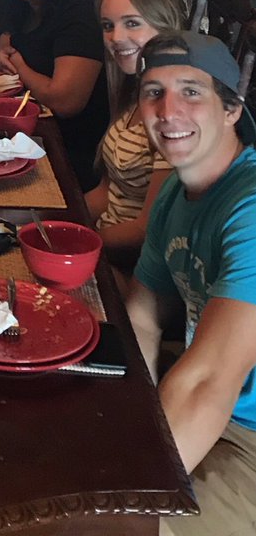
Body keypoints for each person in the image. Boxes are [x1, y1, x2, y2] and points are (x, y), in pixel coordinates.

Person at [126, 31, 256, 535]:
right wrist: (129, 419)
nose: (167, 110)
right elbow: (144, 315)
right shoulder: (176, 196)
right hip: (206, 403)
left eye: (192, 91)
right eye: (153, 92)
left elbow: (206, 384)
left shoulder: (248, 206)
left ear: (231, 108)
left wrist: (123, 493)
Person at [0, 0, 108, 191]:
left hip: (71, 158)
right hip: (35, 140)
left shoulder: (79, 14)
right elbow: (9, 38)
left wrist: (17, 63)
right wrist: (0, 50)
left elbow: (65, 100)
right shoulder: (28, 4)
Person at [85, 0, 182, 273]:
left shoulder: (174, 112)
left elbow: (146, 231)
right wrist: (58, 220)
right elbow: (106, 191)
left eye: (132, 23)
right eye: (107, 26)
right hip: (104, 247)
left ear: (163, 24)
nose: (116, 38)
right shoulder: (132, 90)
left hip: (134, 267)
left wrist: (83, 243)